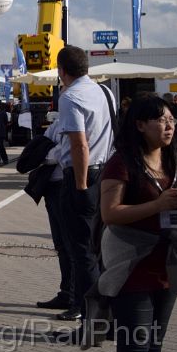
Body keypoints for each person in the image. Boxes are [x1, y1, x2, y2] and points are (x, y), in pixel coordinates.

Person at [98, 94, 177, 352]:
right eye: (161, 120)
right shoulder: (121, 163)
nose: (169, 126)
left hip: (168, 264)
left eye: (171, 119)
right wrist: (157, 205)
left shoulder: (175, 163)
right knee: (135, 343)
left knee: (155, 341)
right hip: (132, 266)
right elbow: (110, 213)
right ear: (140, 125)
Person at [54, 45, 116, 330]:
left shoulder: (70, 97)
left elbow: (79, 145)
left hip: (83, 177)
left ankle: (91, 322)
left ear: (62, 70)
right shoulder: (106, 93)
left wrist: (79, 187)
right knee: (100, 248)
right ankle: (107, 314)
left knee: (81, 251)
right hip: (106, 174)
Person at [36, 118, 75, 312]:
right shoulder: (58, 122)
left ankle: (75, 296)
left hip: (66, 184)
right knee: (60, 244)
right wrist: (48, 151)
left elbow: (61, 153)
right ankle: (66, 292)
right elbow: (41, 149)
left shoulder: (76, 121)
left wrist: (49, 151)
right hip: (51, 187)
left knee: (71, 244)